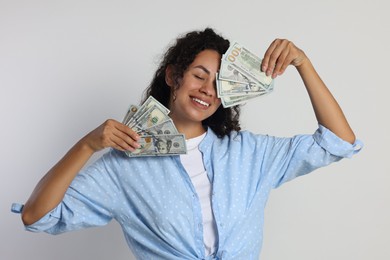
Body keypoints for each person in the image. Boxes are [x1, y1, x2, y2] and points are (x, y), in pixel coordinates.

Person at [12, 28, 362, 259]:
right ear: (173, 77)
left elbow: (338, 141)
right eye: (199, 75)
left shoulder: (250, 153)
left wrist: (303, 63)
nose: (208, 89)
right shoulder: (125, 165)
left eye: (219, 81)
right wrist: (88, 145)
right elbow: (37, 215)